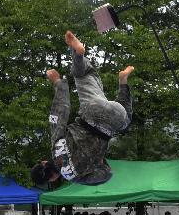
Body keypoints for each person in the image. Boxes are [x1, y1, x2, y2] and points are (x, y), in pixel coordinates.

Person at [31, 30, 134, 186]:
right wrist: (58, 83)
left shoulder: (76, 178)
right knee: (84, 75)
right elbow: (60, 112)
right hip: (91, 110)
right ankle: (77, 53)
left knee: (126, 119)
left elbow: (106, 174)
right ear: (44, 162)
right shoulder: (55, 146)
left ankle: (123, 81)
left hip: (109, 126)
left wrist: (98, 159)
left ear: (52, 178)